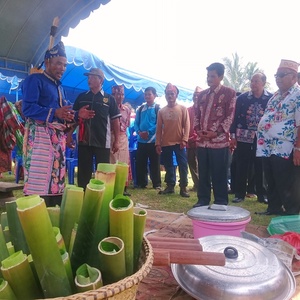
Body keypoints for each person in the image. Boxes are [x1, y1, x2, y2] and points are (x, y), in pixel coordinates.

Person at [22, 41, 93, 206]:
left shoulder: (59, 88)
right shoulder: (35, 80)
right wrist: (54, 112)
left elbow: (64, 111)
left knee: (55, 180)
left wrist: (77, 115)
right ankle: (37, 213)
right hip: (40, 139)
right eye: (58, 64)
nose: (62, 68)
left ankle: (53, 207)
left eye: (64, 65)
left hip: (56, 142)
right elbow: (27, 108)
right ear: (47, 63)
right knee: (39, 180)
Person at [256, 59, 300, 216]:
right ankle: (273, 207)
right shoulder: (275, 95)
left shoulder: (298, 94)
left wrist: (298, 148)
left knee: (286, 180)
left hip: (286, 146)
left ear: (294, 77)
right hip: (268, 145)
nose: (278, 78)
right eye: (276, 75)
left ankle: (292, 211)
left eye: (282, 75)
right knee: (271, 178)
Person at [69, 68, 121, 190]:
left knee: (103, 173)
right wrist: (69, 135)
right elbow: (74, 118)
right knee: (83, 172)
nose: (89, 80)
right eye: (88, 77)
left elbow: (115, 121)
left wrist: (117, 140)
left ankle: (102, 197)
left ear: (101, 80)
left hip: (102, 141)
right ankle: (83, 195)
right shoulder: (81, 97)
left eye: (92, 77)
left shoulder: (109, 99)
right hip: (83, 141)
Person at [193, 62, 236, 207]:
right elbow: (196, 115)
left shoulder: (229, 93)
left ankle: (221, 201)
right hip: (202, 141)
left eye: (213, 76)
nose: (209, 79)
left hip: (219, 142)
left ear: (221, 76)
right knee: (203, 173)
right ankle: (203, 200)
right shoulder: (202, 95)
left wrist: (216, 133)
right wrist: (198, 130)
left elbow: (230, 116)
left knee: (219, 173)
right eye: (208, 76)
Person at [230, 73, 272, 204]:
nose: (253, 83)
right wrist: (233, 136)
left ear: (263, 83)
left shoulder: (270, 98)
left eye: (256, 81)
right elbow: (234, 117)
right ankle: (239, 194)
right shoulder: (242, 98)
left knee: (261, 165)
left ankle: (261, 194)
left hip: (262, 137)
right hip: (243, 135)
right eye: (252, 81)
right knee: (242, 165)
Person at [155, 83, 190, 197]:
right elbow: (159, 128)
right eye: (168, 94)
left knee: (183, 165)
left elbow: (187, 125)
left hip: (179, 142)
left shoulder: (182, 109)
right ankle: (170, 186)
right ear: (165, 95)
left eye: (172, 94)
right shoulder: (161, 111)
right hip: (166, 143)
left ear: (176, 95)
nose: (170, 96)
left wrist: (184, 139)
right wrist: (158, 143)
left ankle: (183, 187)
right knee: (168, 165)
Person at [134, 87, 161, 190]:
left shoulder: (158, 108)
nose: (147, 96)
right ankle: (141, 183)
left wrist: (148, 132)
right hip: (141, 140)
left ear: (154, 95)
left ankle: (156, 184)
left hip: (153, 140)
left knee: (155, 163)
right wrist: (139, 132)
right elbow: (136, 124)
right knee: (141, 162)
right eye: (146, 94)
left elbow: (159, 124)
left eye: (149, 94)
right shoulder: (140, 109)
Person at [110, 85, 131, 196]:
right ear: (113, 95)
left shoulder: (126, 109)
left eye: (122, 94)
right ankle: (112, 187)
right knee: (112, 162)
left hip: (123, 137)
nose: (120, 96)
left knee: (123, 163)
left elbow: (126, 124)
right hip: (111, 136)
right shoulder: (108, 107)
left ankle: (122, 188)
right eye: (118, 94)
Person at [187, 86, 202, 192]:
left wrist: (196, 137)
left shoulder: (205, 110)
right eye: (195, 95)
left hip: (200, 141)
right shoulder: (188, 110)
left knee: (201, 164)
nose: (196, 97)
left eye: (198, 95)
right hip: (188, 141)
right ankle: (197, 184)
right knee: (191, 163)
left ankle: (202, 185)